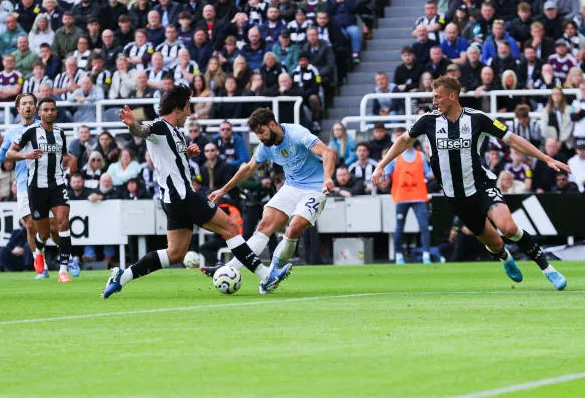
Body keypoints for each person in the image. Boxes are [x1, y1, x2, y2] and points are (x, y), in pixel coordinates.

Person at [371, 76, 570, 290]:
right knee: (494, 243)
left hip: (482, 185)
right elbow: (403, 140)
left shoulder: (477, 118)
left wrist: (546, 158)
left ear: (452, 96)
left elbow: (511, 139)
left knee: (508, 227)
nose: (434, 101)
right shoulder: (428, 121)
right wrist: (381, 164)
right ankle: (505, 258)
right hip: (457, 197)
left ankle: (548, 269)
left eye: (437, 97)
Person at [103, 86, 290, 298]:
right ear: (178, 108)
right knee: (229, 227)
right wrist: (132, 125)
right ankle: (267, 276)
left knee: (175, 253)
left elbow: (170, 161)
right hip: (183, 197)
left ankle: (122, 277)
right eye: (188, 108)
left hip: (172, 200)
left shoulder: (175, 133)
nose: (190, 113)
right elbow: (142, 131)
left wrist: (187, 155)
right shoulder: (159, 126)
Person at [203, 107, 336, 280]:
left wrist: (327, 178)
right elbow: (249, 168)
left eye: (261, 132)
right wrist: (223, 189)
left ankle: (272, 273)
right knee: (264, 226)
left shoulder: (296, 133)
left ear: (272, 125)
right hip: (291, 187)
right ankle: (228, 269)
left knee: (293, 228)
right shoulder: (265, 146)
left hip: (315, 188)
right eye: (256, 133)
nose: (259, 137)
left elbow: (327, 152)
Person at [0, 93, 75, 279]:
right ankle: (40, 262)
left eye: (31, 103)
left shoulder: (48, 128)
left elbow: (61, 152)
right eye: (24, 104)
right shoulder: (12, 133)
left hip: (50, 182)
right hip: (25, 185)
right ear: (18, 109)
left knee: (54, 227)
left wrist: (69, 161)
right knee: (31, 226)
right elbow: (3, 154)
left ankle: (67, 258)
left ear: (36, 108)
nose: (28, 107)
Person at [6, 97, 77, 283]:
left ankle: (63, 271)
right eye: (46, 110)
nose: (50, 113)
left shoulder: (61, 133)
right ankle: (38, 252)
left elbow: (63, 155)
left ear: (56, 112)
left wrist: (71, 159)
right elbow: (9, 153)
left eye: (52, 109)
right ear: (40, 113)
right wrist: (25, 155)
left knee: (63, 222)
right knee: (43, 233)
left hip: (58, 184)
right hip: (37, 188)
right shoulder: (30, 132)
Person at [382, 143, 434, 264]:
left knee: (424, 226)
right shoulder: (395, 156)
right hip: (402, 196)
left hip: (419, 196)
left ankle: (426, 255)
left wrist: (438, 172)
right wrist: (382, 180)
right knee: (399, 227)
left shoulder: (420, 155)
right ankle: (399, 255)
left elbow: (427, 174)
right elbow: (386, 173)